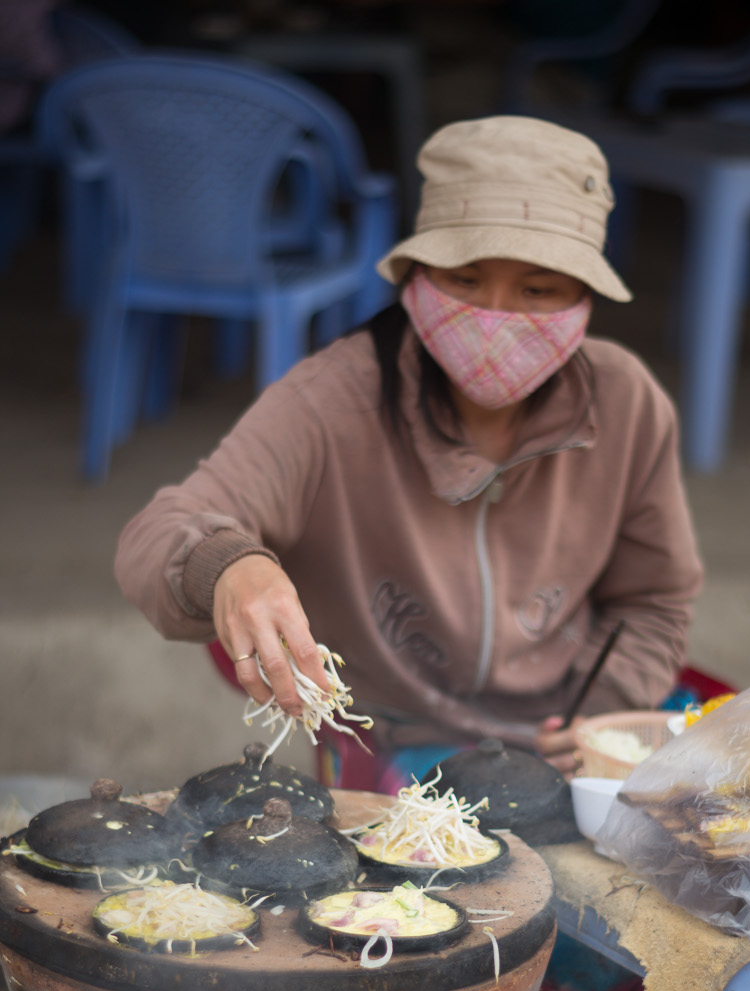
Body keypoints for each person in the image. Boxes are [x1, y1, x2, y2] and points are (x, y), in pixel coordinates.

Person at [115, 114, 704, 790]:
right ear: (416, 278)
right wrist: (230, 567)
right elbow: (159, 532)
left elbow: (654, 601)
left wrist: (600, 711)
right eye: (465, 280)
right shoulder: (331, 400)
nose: (496, 314)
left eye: (538, 290)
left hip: (572, 734)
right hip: (391, 737)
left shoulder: (627, 402)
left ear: (584, 300)